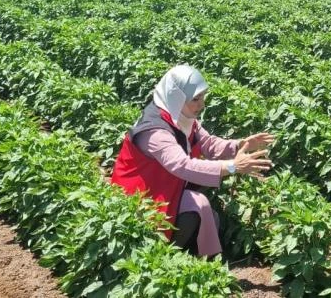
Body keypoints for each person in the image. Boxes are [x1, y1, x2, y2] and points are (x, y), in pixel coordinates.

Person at [110, 65, 273, 257]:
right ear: (176, 98)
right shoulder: (155, 132)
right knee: (197, 208)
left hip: (164, 186)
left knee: (206, 213)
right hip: (139, 198)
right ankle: (161, 257)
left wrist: (240, 144)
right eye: (196, 99)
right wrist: (232, 166)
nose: (202, 104)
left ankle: (190, 255)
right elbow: (182, 165)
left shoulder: (181, 117)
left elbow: (209, 144)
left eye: (203, 97)